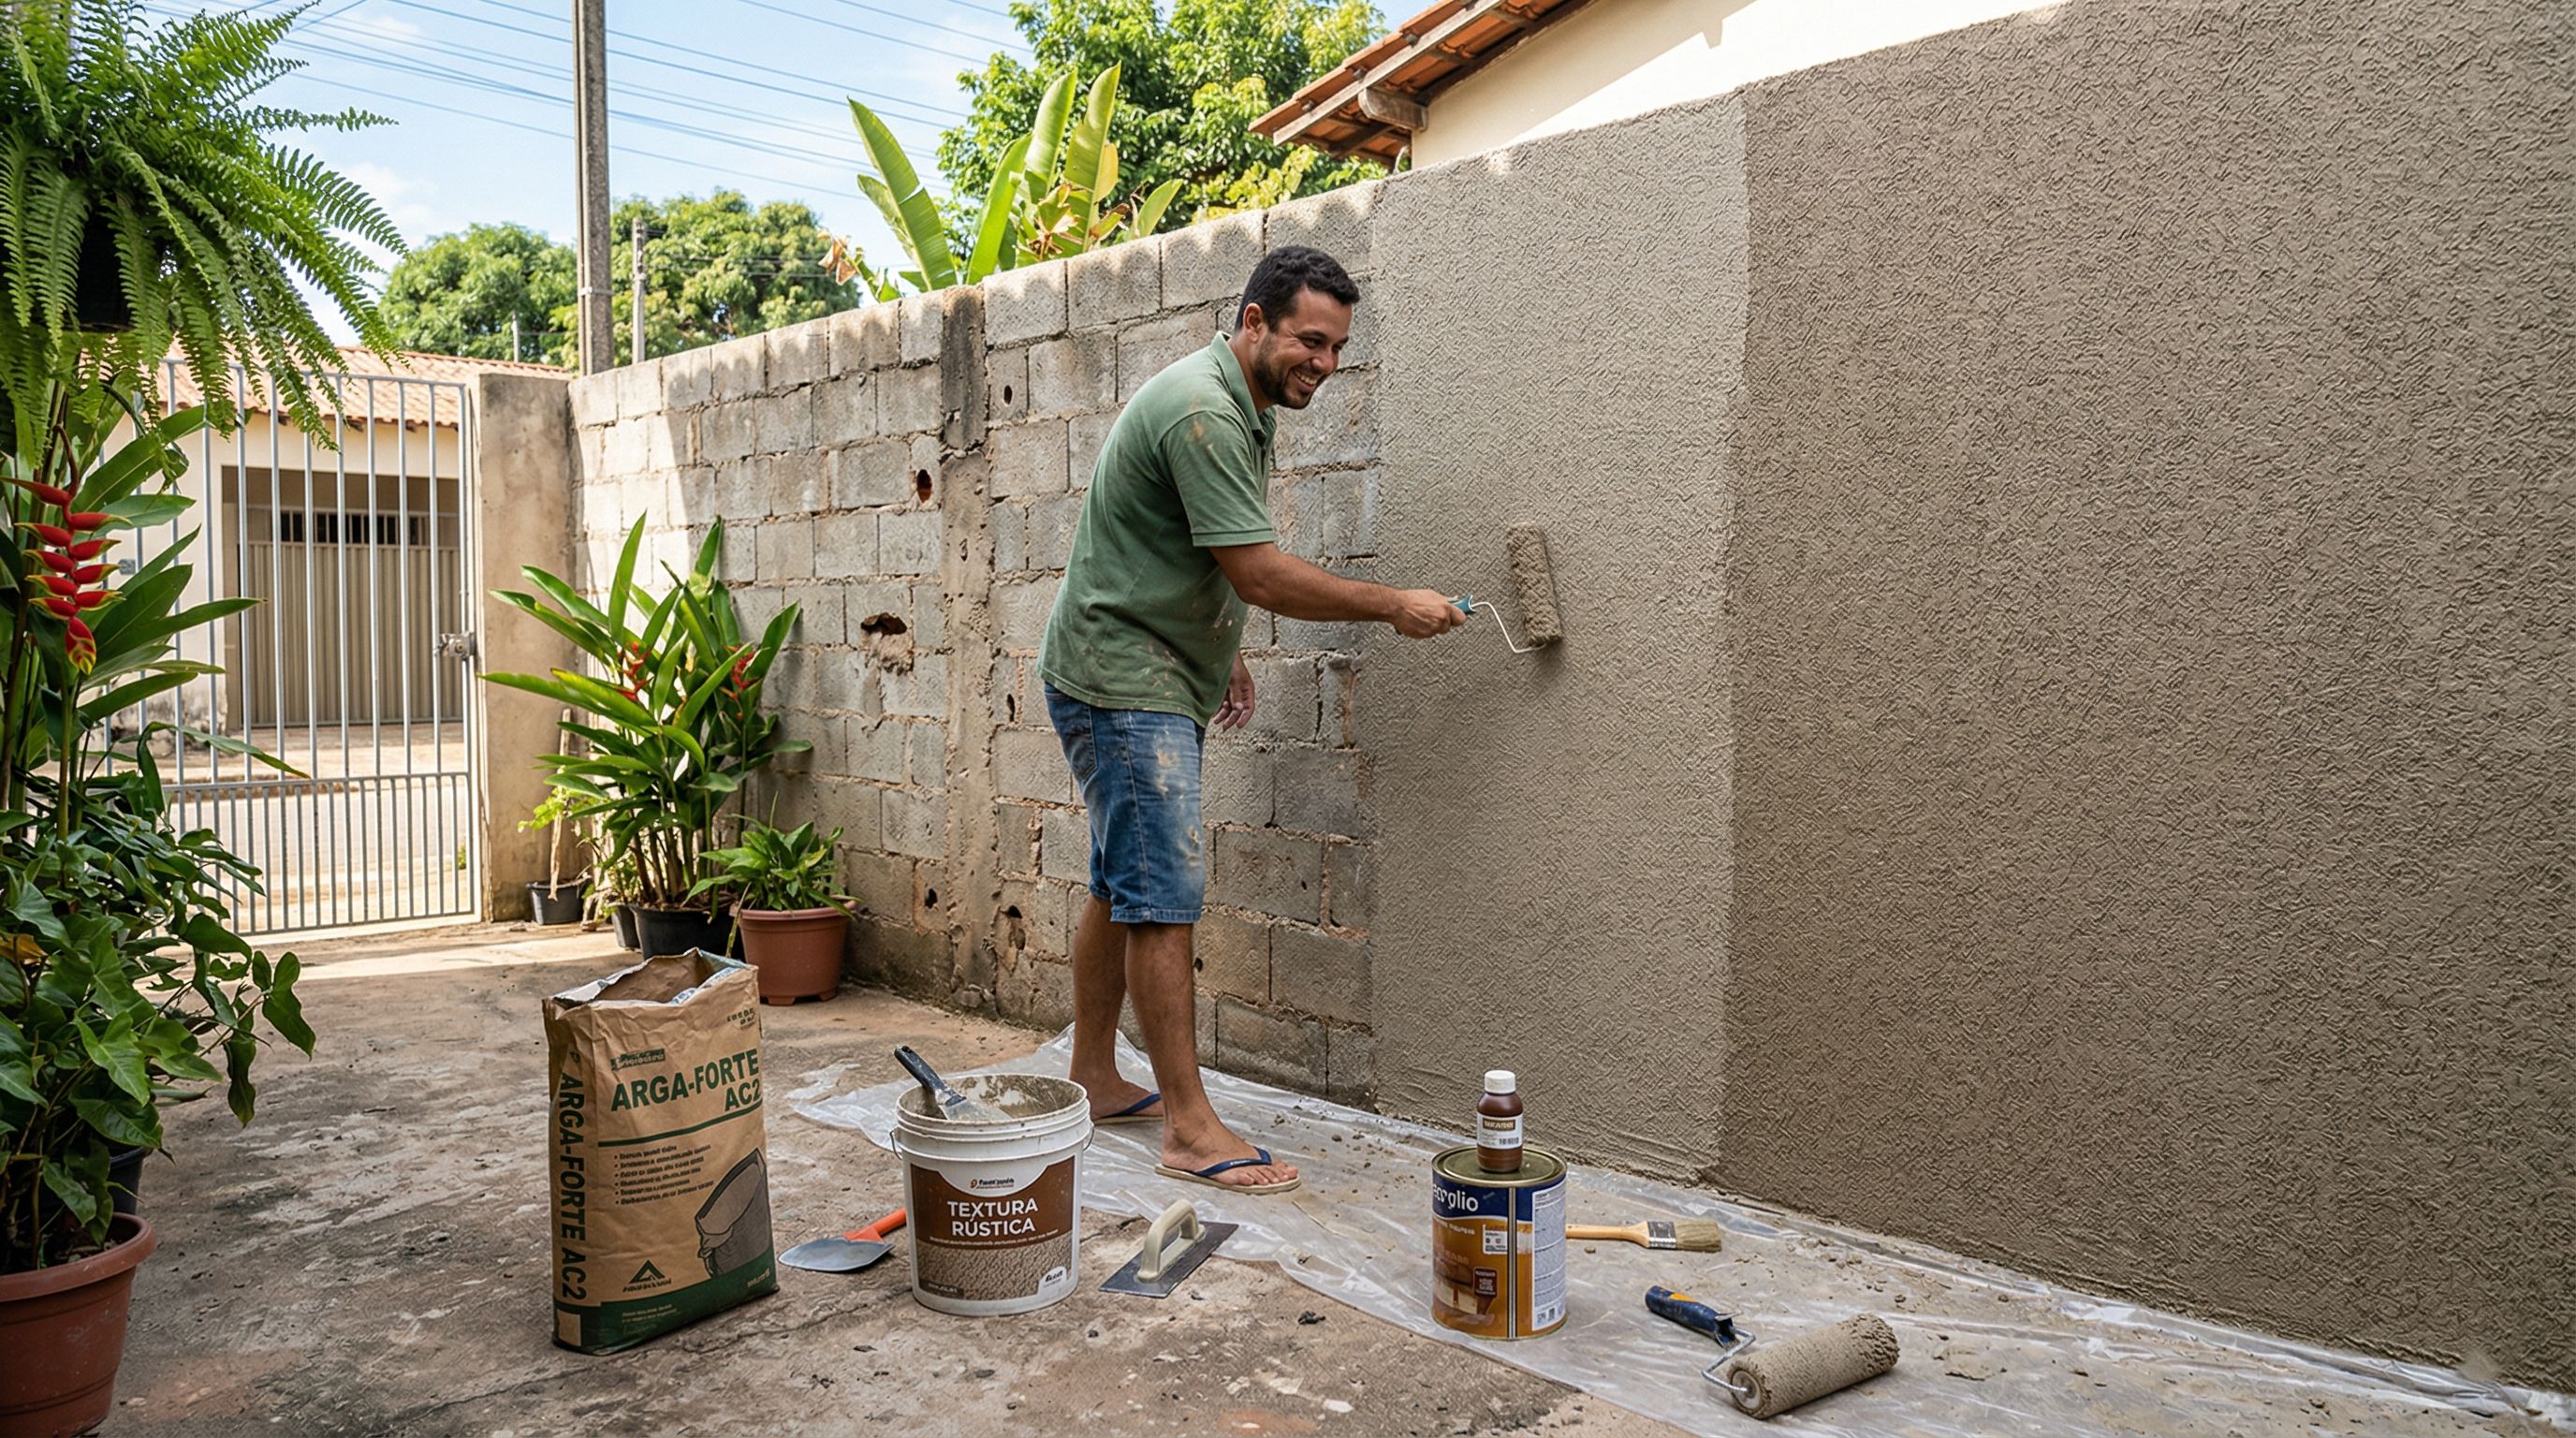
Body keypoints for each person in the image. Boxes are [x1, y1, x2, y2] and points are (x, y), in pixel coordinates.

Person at [1036, 245, 1467, 1194]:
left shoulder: (1241, 400)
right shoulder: (1205, 410)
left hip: (1140, 662)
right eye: (1311, 340)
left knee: (1120, 878)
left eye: (1338, 347)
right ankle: (1190, 1130)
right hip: (1122, 680)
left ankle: (1094, 1075)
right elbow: (1260, 572)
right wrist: (1392, 605)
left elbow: (1185, 542)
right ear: (1255, 322)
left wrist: (1218, 642)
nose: (1326, 362)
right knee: (1162, 895)